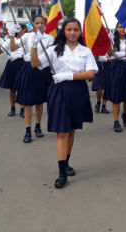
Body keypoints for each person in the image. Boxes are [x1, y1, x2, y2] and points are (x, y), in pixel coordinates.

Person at [32, 18, 97, 189]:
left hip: (77, 91)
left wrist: (69, 76)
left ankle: (66, 162)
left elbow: (91, 73)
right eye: (69, 29)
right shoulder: (53, 50)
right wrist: (33, 46)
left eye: (76, 29)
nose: (72, 32)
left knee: (71, 129)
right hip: (58, 91)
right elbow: (35, 64)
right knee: (61, 132)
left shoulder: (85, 51)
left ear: (79, 32)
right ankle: (62, 173)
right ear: (63, 31)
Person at [12, 16, 54, 143]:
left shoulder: (50, 38)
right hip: (29, 68)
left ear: (45, 25)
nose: (39, 25)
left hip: (42, 69)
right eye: (37, 23)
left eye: (42, 23)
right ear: (33, 24)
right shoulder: (27, 36)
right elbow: (13, 48)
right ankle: (28, 130)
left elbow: (49, 56)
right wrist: (12, 36)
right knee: (29, 101)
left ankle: (38, 126)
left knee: (40, 101)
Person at [0, 24, 27, 116]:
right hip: (12, 65)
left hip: (23, 64)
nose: (26, 33)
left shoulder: (27, 40)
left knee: (22, 88)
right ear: (20, 31)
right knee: (13, 88)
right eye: (25, 31)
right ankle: (13, 108)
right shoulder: (10, 40)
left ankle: (22, 109)